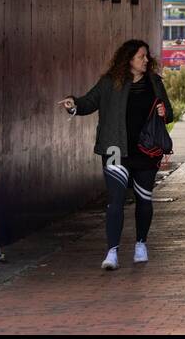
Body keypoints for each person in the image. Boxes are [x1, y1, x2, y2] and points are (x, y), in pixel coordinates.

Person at [59, 39, 173, 270]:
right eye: (141, 56)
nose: (146, 60)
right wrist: (74, 104)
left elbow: (169, 113)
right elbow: (89, 102)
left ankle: (141, 244)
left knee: (144, 199)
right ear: (128, 59)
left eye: (146, 56)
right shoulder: (110, 82)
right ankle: (112, 252)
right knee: (115, 201)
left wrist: (164, 112)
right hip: (114, 149)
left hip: (146, 150)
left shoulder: (154, 82)